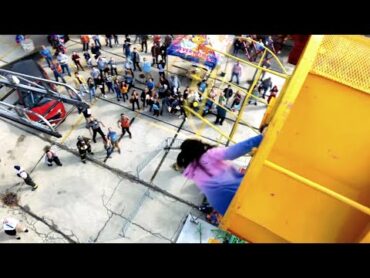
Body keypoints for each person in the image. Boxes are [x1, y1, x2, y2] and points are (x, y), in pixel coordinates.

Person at [175, 133, 264, 215]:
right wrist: (260, 137)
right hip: (236, 194)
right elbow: (234, 152)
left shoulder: (193, 173)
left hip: (224, 209)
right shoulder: (209, 155)